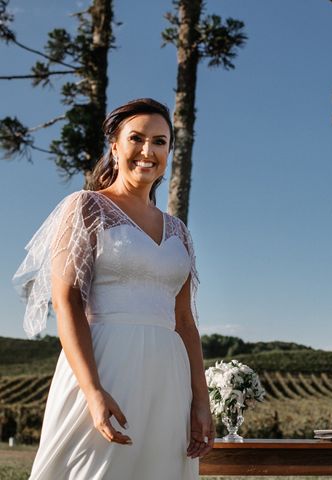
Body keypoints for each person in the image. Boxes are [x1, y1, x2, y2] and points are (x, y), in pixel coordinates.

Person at [13, 98, 213, 479]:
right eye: (136, 138)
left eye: (160, 142)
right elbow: (67, 300)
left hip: (168, 379)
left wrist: (200, 402)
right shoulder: (87, 207)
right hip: (105, 366)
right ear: (115, 146)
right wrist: (92, 391)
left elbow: (185, 322)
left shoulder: (180, 232)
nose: (147, 151)